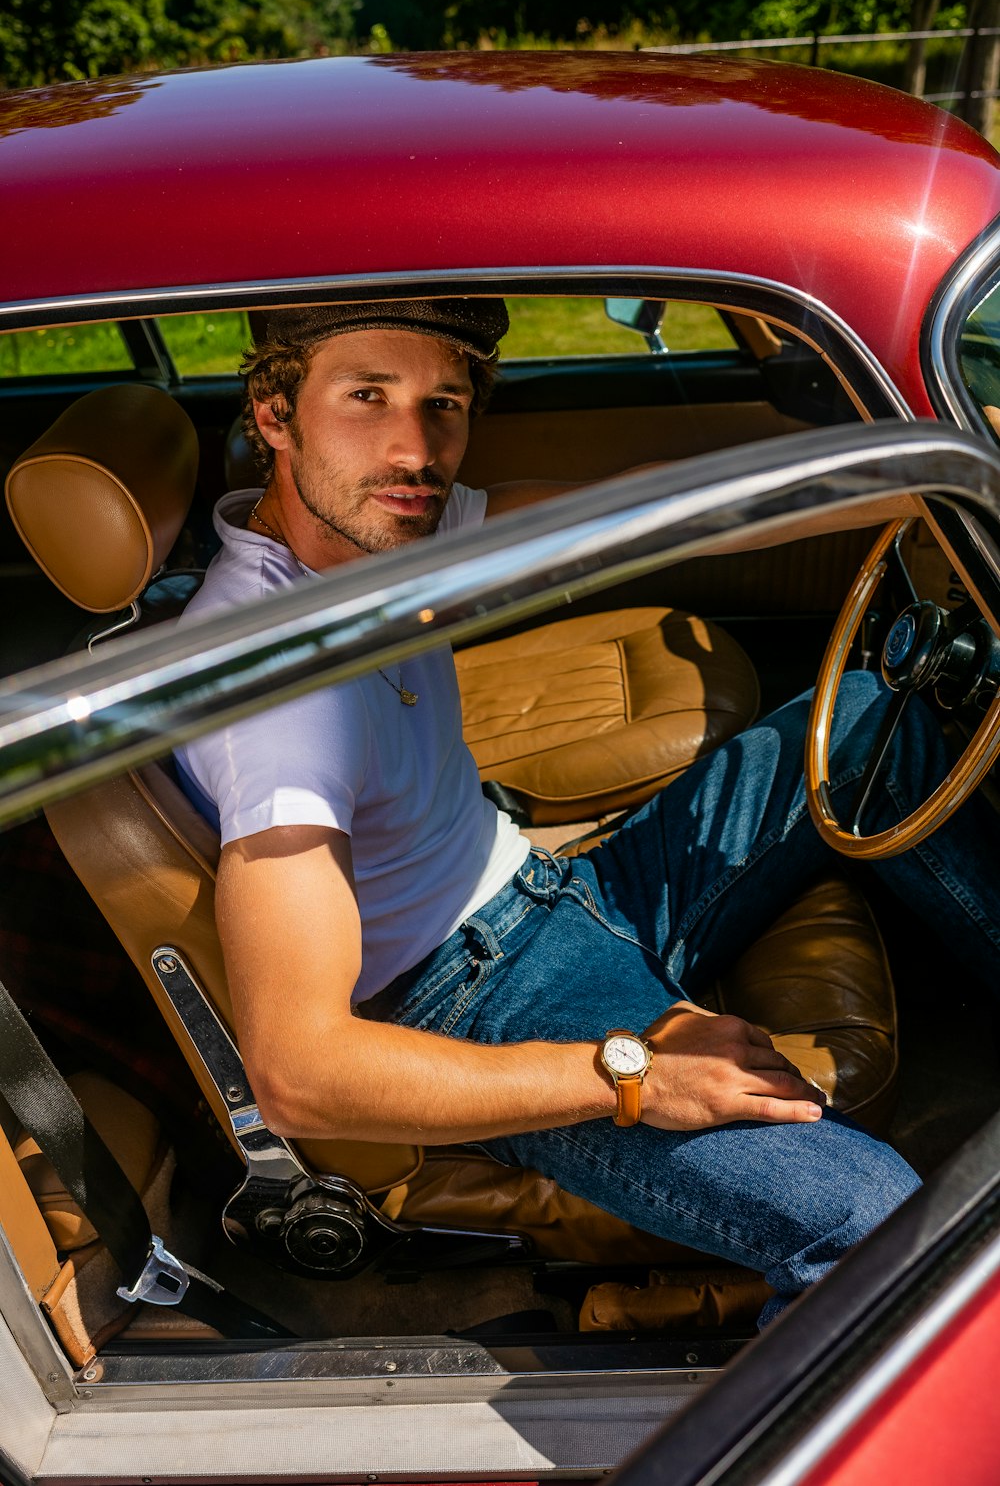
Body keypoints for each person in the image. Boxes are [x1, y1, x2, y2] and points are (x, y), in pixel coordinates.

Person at [176, 297, 1000, 1322]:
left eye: (442, 404)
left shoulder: (381, 537)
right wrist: (634, 1076)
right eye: (366, 399)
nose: (414, 447)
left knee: (878, 714)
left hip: (555, 886)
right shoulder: (273, 701)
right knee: (883, 1235)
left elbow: (659, 506)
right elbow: (301, 1071)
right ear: (273, 414)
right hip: (476, 1007)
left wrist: (946, 467)